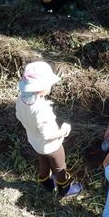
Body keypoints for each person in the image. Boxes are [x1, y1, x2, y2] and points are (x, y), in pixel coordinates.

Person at [15, 61, 82, 197]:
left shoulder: (21, 99)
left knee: (43, 162)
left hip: (35, 141)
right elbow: (47, 134)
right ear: (41, 87)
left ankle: (46, 182)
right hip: (52, 145)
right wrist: (64, 131)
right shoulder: (41, 110)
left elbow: (19, 116)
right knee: (59, 166)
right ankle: (65, 188)